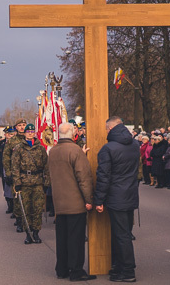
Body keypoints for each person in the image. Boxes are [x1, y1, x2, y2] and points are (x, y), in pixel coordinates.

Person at [48, 122, 96, 281]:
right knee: (76, 239)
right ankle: (76, 271)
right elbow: (84, 178)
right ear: (71, 133)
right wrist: (88, 199)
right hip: (75, 203)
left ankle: (61, 269)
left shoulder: (53, 151)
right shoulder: (75, 150)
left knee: (62, 238)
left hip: (59, 202)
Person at [94, 116, 140, 283]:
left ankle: (127, 271)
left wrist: (98, 200)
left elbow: (104, 177)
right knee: (125, 233)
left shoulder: (108, 149)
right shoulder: (135, 145)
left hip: (116, 197)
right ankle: (119, 267)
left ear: (110, 128)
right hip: (130, 194)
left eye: (106, 129)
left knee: (121, 235)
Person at [11, 123, 49, 244]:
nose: (30, 133)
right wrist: (17, 182)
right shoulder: (19, 148)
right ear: (25, 133)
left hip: (38, 181)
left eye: (32, 132)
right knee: (25, 209)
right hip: (24, 182)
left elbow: (46, 166)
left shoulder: (41, 148)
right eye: (28, 131)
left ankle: (36, 233)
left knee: (38, 209)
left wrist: (46, 182)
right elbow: (15, 166)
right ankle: (28, 233)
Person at [3, 118, 27, 232]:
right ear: (16, 127)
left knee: (30, 200)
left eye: (24, 125)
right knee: (17, 199)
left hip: (29, 176)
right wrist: (8, 173)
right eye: (20, 125)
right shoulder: (12, 141)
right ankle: (19, 221)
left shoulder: (31, 140)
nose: (22, 127)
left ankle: (29, 222)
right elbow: (6, 158)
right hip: (16, 175)